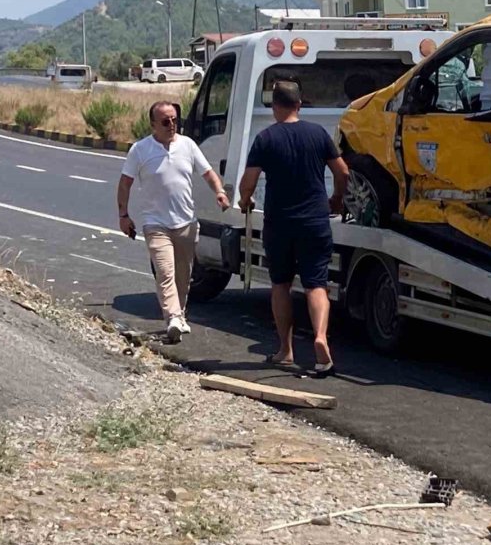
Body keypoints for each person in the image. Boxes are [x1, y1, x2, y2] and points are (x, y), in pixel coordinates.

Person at [238, 80, 349, 377]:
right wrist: (336, 199)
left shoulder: (266, 139)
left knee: (281, 285)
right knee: (316, 284)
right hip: (314, 220)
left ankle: (285, 350)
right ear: (300, 105)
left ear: (274, 106)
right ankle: (321, 338)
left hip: (280, 223)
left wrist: (244, 200)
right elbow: (343, 171)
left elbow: (248, 182)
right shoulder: (318, 134)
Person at [117, 101, 230, 343]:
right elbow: (125, 183)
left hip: (186, 223)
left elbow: (208, 172)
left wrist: (219, 191)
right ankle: (173, 319)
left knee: (183, 274)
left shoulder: (187, 145)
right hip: (155, 224)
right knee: (165, 272)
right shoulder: (140, 150)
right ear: (153, 125)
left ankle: (179, 314)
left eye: (175, 120)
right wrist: (123, 216)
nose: (172, 125)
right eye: (166, 121)